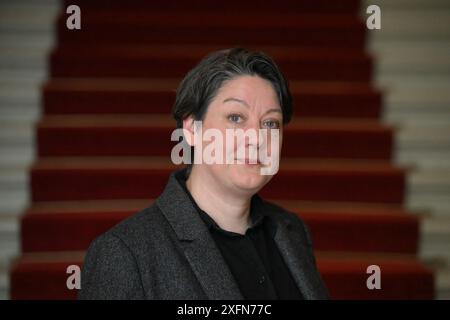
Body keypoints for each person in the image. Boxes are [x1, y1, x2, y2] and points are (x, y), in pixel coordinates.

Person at [79, 48, 329, 300]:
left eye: (270, 123)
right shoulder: (124, 253)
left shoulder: (292, 231)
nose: (257, 138)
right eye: (236, 117)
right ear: (191, 129)